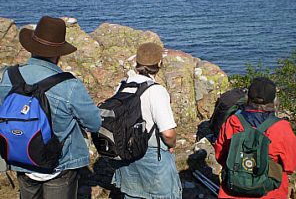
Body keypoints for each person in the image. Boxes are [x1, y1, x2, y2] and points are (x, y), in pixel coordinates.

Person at [0, 16, 102, 199]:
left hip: (21, 156)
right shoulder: (69, 85)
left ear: (31, 46)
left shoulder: (8, 76)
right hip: (59, 164)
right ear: (59, 53)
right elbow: (94, 123)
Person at [112, 42, 182, 199]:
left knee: (132, 194)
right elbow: (168, 133)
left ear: (137, 62)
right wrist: (172, 145)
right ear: (159, 64)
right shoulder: (156, 91)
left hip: (126, 152)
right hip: (151, 156)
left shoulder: (122, 86)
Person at [214, 77, 296, 199]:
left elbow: (220, 155)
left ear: (248, 98)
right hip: (269, 192)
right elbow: (291, 165)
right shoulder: (282, 128)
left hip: (233, 190)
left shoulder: (232, 122)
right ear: (274, 101)